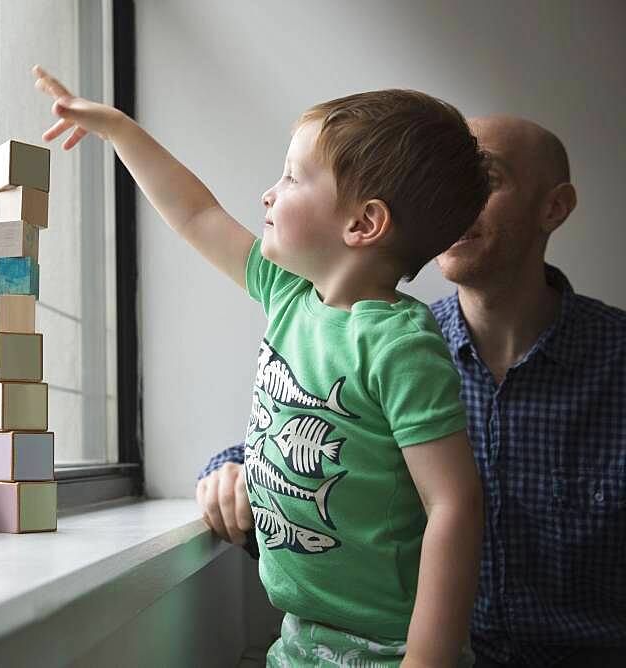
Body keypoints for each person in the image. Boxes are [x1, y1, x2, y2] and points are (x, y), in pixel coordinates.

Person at [33, 65, 488, 666]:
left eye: (292, 177)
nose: (268, 193)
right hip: (302, 636)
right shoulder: (288, 293)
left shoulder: (399, 345)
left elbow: (454, 505)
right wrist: (119, 131)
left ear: (363, 223)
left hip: (388, 648)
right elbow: (196, 214)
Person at [198, 115, 626, 667]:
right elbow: (312, 433)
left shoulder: (614, 362)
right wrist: (234, 468)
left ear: (554, 207)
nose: (452, 204)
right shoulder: (383, 345)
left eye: (482, 182)